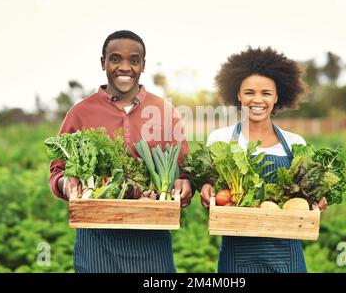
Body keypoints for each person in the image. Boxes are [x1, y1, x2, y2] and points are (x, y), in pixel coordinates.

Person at [48, 30, 193, 273]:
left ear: (143, 65)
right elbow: (57, 171)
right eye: (115, 59)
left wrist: (185, 185)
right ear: (103, 62)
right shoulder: (80, 112)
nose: (124, 67)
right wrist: (66, 184)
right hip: (96, 238)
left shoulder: (165, 111)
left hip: (151, 237)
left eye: (133, 60)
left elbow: (185, 169)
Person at [200, 46, 327, 273]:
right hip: (236, 258)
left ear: (277, 97)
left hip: (288, 257)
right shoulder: (220, 138)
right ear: (238, 94)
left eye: (266, 93)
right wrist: (207, 189)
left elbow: (306, 197)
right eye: (249, 92)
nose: (257, 100)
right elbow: (210, 187)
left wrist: (316, 200)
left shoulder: (295, 143)